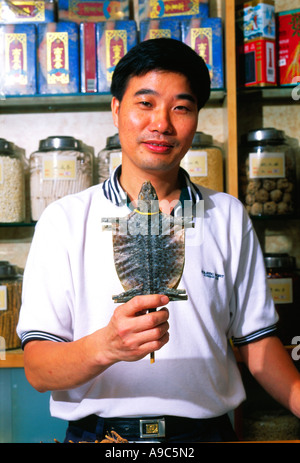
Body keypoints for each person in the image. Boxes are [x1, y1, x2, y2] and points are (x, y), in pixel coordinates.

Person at [17, 38, 300, 443]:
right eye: (145, 104)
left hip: (207, 434)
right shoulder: (63, 220)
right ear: (116, 109)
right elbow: (39, 369)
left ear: (197, 118)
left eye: (181, 108)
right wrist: (108, 346)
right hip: (103, 438)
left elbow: (258, 346)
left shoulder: (227, 214)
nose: (162, 124)